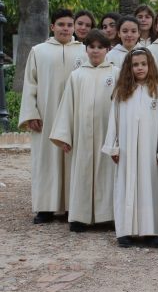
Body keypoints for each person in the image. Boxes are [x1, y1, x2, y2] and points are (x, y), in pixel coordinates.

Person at [19, 9, 86, 224]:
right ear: (52, 27)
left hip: (75, 114)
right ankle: (45, 208)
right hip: (46, 115)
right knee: (46, 160)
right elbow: (30, 84)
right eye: (61, 24)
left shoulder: (84, 51)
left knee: (72, 159)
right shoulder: (38, 51)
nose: (65, 28)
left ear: (74, 27)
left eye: (69, 25)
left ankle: (70, 206)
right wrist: (31, 113)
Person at [49, 30, 119, 232]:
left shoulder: (116, 73)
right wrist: (64, 135)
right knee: (82, 171)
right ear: (86, 49)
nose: (96, 51)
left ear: (108, 49)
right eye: (92, 47)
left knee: (107, 172)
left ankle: (106, 216)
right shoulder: (77, 75)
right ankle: (80, 217)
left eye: (100, 47)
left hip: (108, 132)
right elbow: (67, 106)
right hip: (82, 134)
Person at [102, 48, 158, 248]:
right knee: (125, 185)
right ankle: (125, 231)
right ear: (128, 68)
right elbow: (113, 121)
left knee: (151, 188)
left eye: (143, 64)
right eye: (135, 65)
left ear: (150, 66)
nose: (140, 68)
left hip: (150, 152)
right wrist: (113, 147)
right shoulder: (121, 93)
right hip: (126, 149)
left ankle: (151, 231)